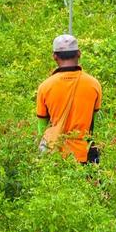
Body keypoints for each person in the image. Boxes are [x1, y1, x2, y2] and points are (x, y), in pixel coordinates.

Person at [35, 34, 103, 164]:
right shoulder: (94, 84)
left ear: (55, 56)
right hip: (85, 154)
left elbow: (42, 128)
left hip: (55, 155)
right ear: (79, 53)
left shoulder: (45, 87)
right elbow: (93, 122)